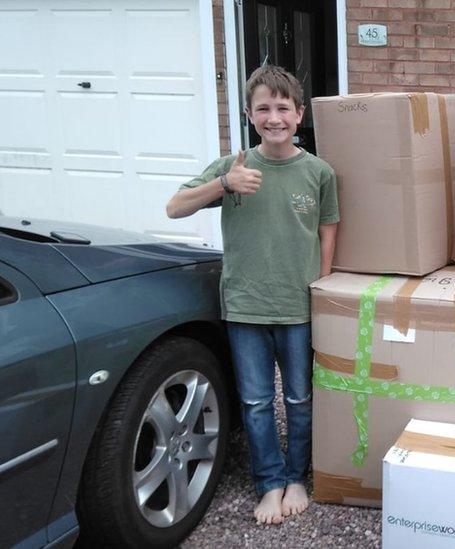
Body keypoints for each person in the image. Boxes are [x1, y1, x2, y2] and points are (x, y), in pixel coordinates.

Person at [166, 65, 338, 525]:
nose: (274, 117)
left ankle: (296, 476)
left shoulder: (318, 172)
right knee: (257, 401)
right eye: (264, 108)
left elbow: (327, 230)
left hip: (297, 307)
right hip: (244, 307)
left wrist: (320, 289)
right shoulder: (233, 167)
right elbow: (174, 207)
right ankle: (270, 482)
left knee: (301, 399)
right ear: (249, 113)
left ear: (299, 114)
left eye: (283, 107)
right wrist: (223, 185)